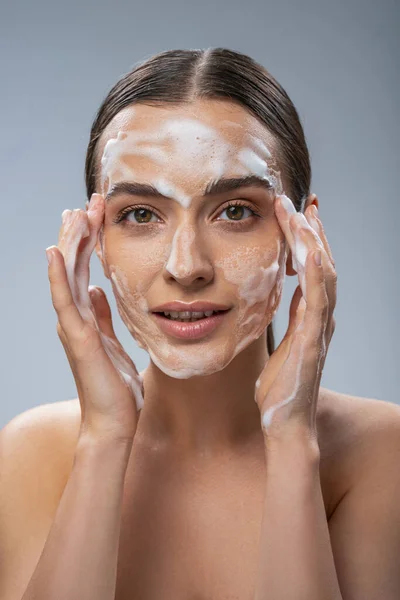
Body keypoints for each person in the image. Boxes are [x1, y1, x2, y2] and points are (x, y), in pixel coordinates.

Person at [1, 48, 399, 600]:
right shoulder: (31, 454)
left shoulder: (383, 453)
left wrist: (290, 440)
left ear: (301, 241)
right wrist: (104, 438)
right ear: (97, 242)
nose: (186, 266)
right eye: (140, 215)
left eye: (235, 211)